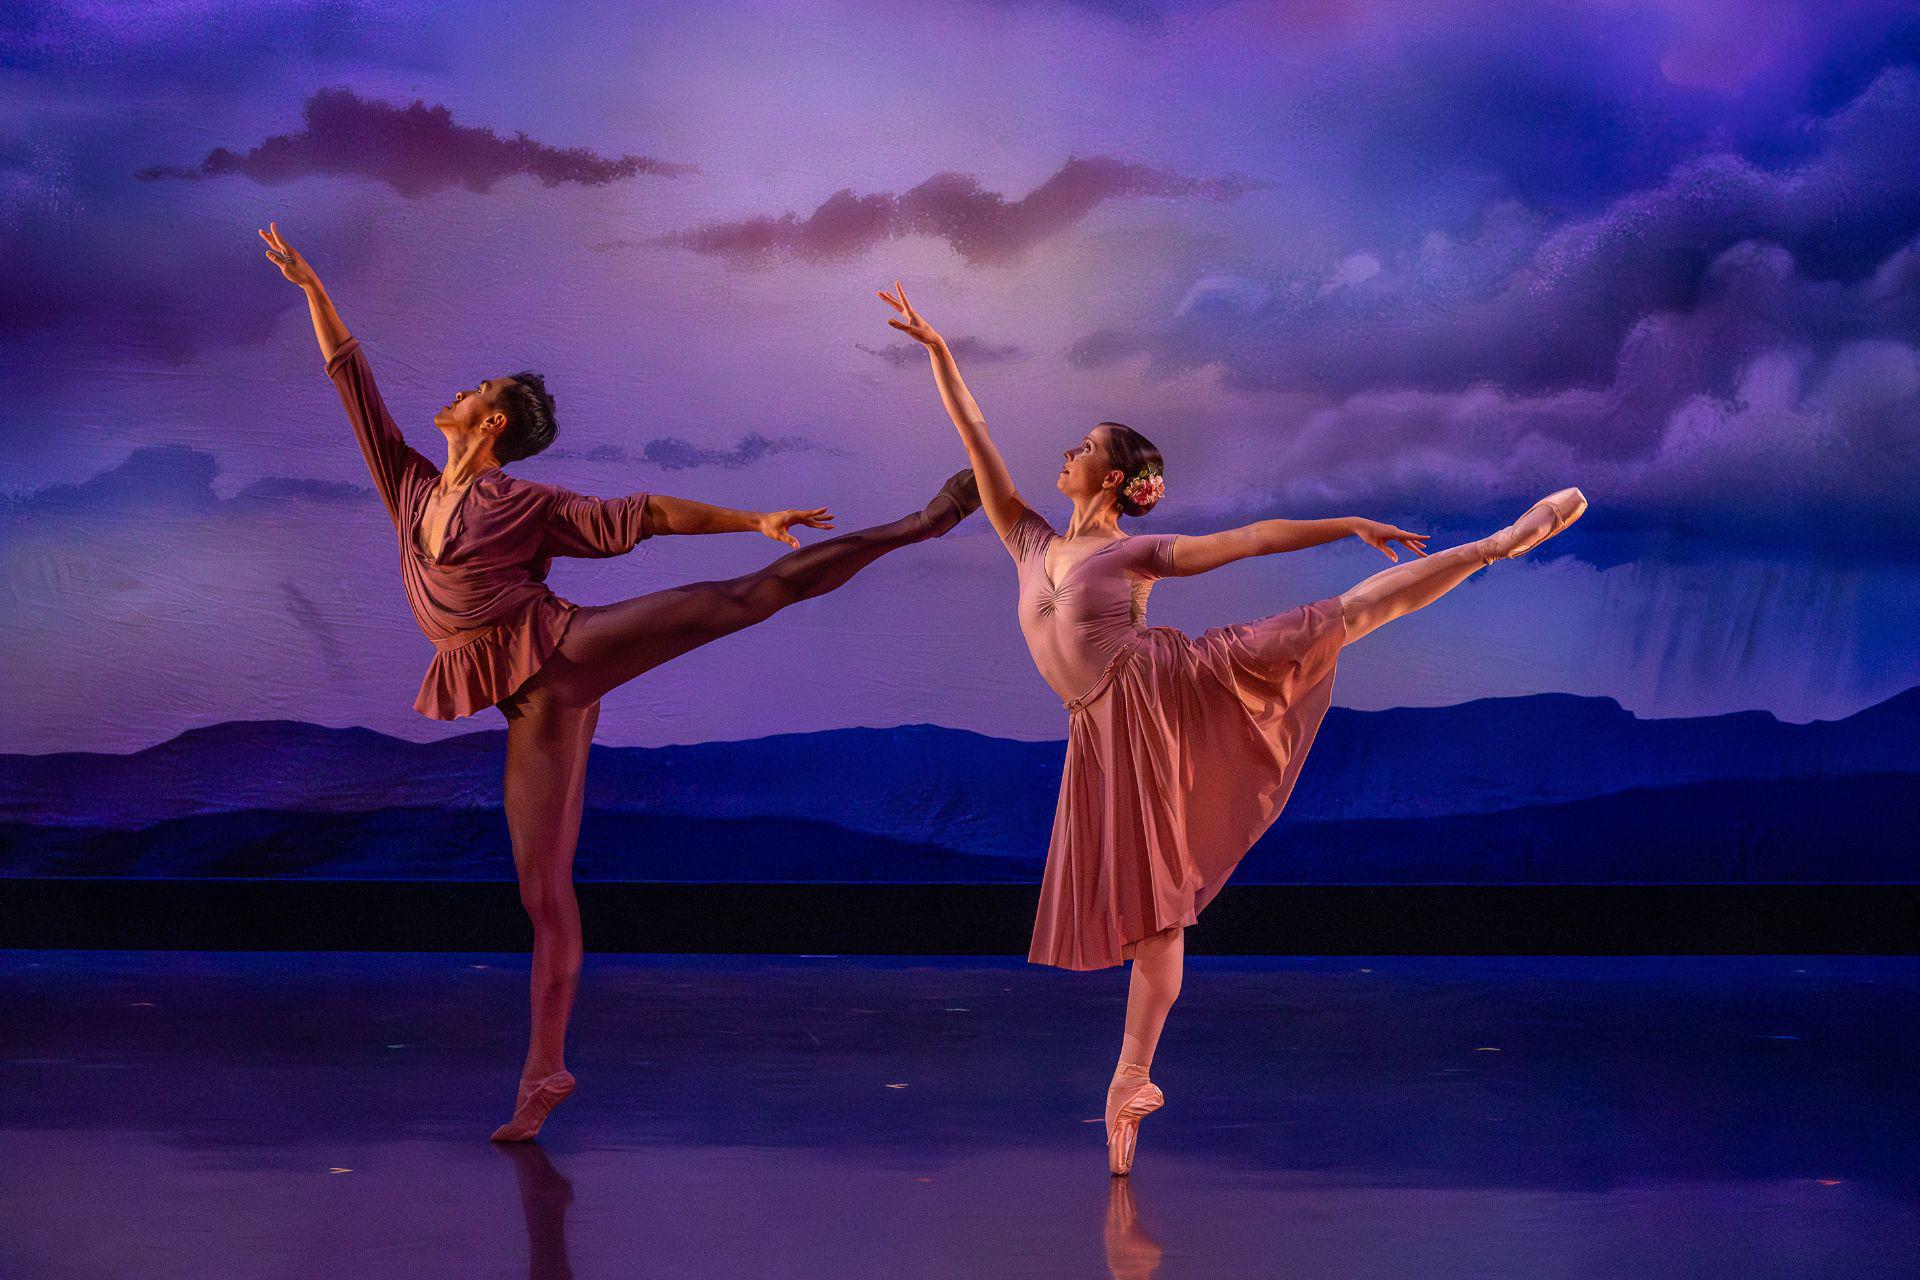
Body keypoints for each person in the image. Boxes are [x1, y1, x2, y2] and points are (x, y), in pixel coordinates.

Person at [258, 224, 980, 1141]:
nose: (455, 392)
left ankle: (917, 524)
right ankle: (546, 1069)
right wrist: (315, 288)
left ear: (494, 422)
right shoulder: (408, 488)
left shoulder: (521, 501)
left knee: (742, 596)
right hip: (532, 702)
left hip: (562, 649)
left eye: (472, 390)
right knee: (542, 891)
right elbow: (352, 384)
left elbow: (637, 516)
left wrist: (751, 515)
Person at [878, 281, 1585, 1175]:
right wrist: (938, 348)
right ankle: (1131, 1082)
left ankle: (1495, 545)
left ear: (1116, 479)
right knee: (1154, 915)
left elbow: (1251, 538)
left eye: (1085, 447)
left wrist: (1347, 521)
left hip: (1167, 688)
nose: (1067, 451)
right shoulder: (1025, 538)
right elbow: (976, 437)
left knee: (1336, 621)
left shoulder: (1135, 552)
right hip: (1099, 731)